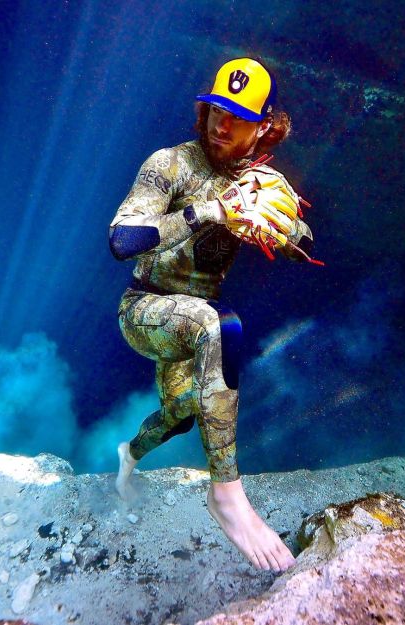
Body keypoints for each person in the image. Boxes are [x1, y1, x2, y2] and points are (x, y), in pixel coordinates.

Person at [109, 58, 317, 573]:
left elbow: (303, 242)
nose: (222, 124)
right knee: (219, 325)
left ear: (265, 126)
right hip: (145, 307)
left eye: (239, 117)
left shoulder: (261, 182)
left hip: (190, 314)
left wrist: (282, 230)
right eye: (217, 109)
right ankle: (226, 493)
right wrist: (210, 211)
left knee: (180, 417)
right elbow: (122, 240)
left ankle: (127, 456)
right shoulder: (170, 164)